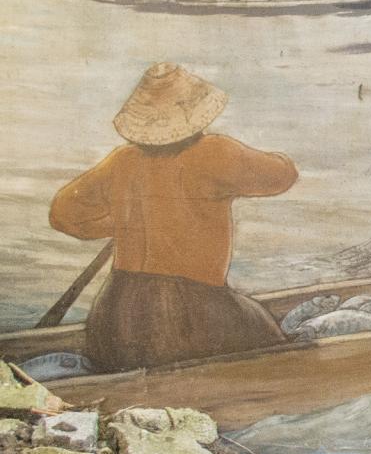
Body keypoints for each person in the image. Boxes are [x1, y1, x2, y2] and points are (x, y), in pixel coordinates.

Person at [49, 63, 300, 372]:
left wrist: (123, 224)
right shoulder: (214, 152)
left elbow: (63, 214)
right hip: (186, 315)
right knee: (271, 338)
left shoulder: (121, 160)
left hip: (112, 318)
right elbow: (283, 175)